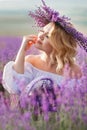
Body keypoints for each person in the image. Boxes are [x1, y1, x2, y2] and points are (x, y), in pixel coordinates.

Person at [2, 0, 87, 106]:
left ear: (58, 44)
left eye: (47, 36)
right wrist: (22, 50)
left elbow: (77, 102)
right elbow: (15, 87)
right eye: (41, 31)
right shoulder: (30, 60)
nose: (40, 36)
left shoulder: (75, 70)